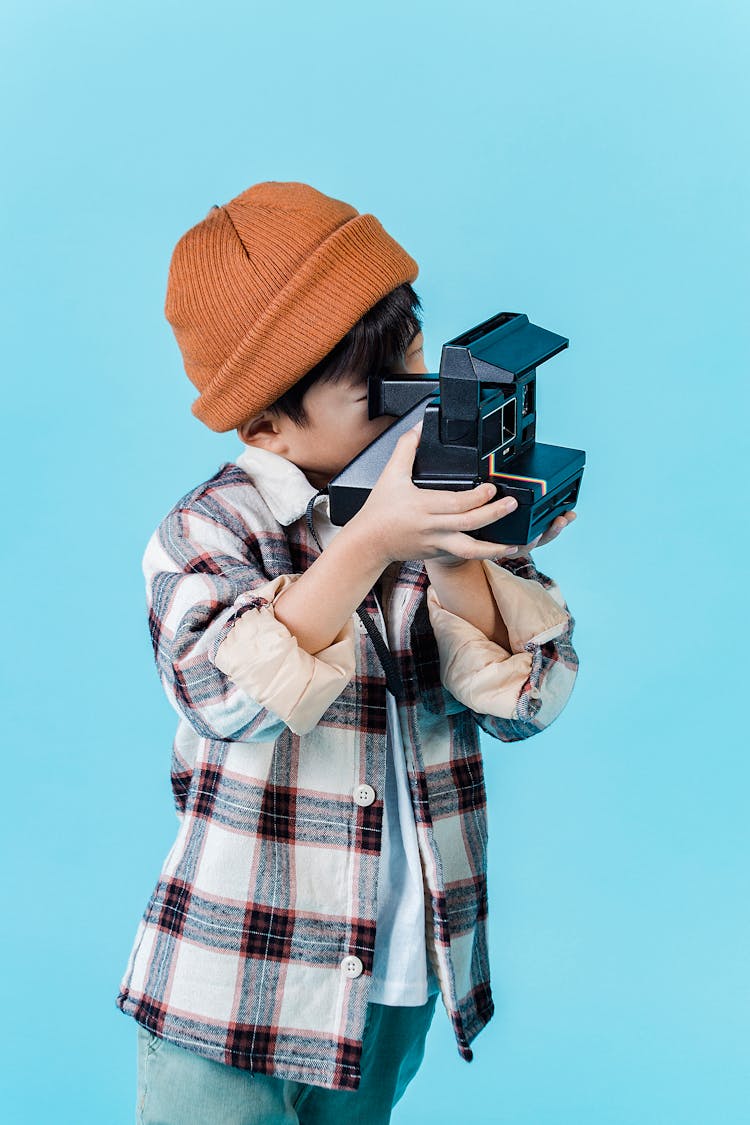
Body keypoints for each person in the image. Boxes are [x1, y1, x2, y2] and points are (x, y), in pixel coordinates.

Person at [116, 180, 579, 1125]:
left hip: (396, 976)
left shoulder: (445, 496)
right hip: (234, 986)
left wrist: (453, 562)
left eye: (413, 349)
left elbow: (527, 702)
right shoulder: (209, 530)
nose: (414, 395)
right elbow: (222, 694)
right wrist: (368, 544)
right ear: (267, 426)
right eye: (377, 391)